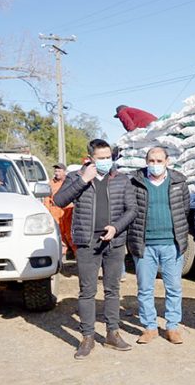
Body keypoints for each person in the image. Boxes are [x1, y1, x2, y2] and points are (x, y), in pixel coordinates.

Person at [54, 139, 137, 360]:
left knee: (112, 290)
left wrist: (116, 227)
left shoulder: (121, 179)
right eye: (101, 158)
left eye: (109, 157)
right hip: (86, 242)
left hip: (114, 241)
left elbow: (132, 210)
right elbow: (59, 200)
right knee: (87, 291)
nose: (106, 162)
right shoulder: (75, 177)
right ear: (90, 158)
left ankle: (112, 333)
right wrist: (83, 180)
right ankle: (87, 337)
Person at [127, 147, 190, 345]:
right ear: (146, 161)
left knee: (173, 288)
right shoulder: (135, 183)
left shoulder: (178, 182)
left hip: (171, 244)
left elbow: (184, 209)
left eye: (159, 160)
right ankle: (149, 327)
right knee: (145, 288)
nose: (155, 164)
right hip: (144, 245)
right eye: (151, 161)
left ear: (167, 161)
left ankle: (172, 327)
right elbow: (130, 209)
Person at [44, 163, 76, 259]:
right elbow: (47, 199)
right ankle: (62, 255)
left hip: (67, 211)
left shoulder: (69, 181)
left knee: (70, 232)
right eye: (55, 171)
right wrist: (47, 211)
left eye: (59, 171)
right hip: (55, 212)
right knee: (59, 233)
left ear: (64, 172)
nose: (56, 173)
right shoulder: (50, 183)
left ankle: (76, 254)